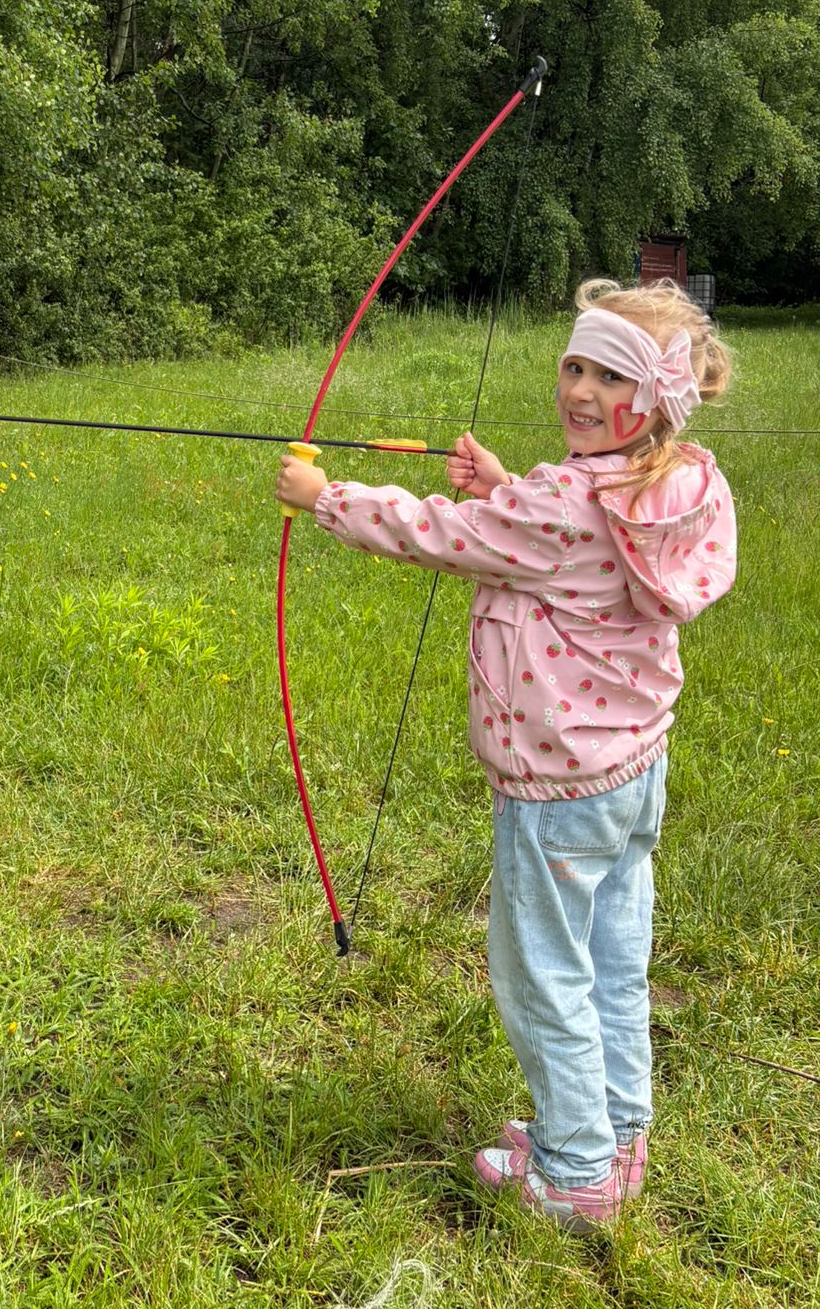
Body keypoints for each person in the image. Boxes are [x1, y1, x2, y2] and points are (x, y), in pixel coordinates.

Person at [274, 278, 736, 1232]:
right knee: (613, 961)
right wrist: (504, 487)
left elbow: (439, 533)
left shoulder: (565, 503)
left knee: (544, 975)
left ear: (653, 400)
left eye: (610, 375)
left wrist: (329, 498)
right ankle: (617, 1135)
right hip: (630, 772)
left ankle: (575, 1173)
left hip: (555, 789)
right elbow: (558, 528)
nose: (580, 389)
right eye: (575, 365)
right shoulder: (663, 482)